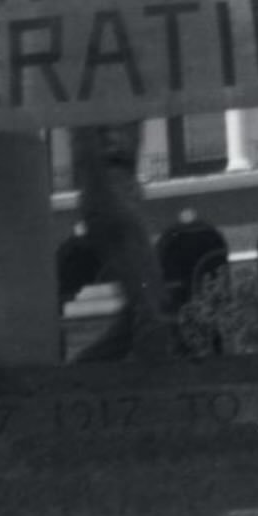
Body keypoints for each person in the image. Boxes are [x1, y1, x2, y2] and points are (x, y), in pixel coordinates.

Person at [70, 122, 166, 360]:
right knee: (150, 306)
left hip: (120, 186)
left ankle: (82, 368)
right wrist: (101, 193)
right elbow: (84, 139)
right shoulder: (94, 100)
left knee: (145, 304)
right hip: (109, 190)